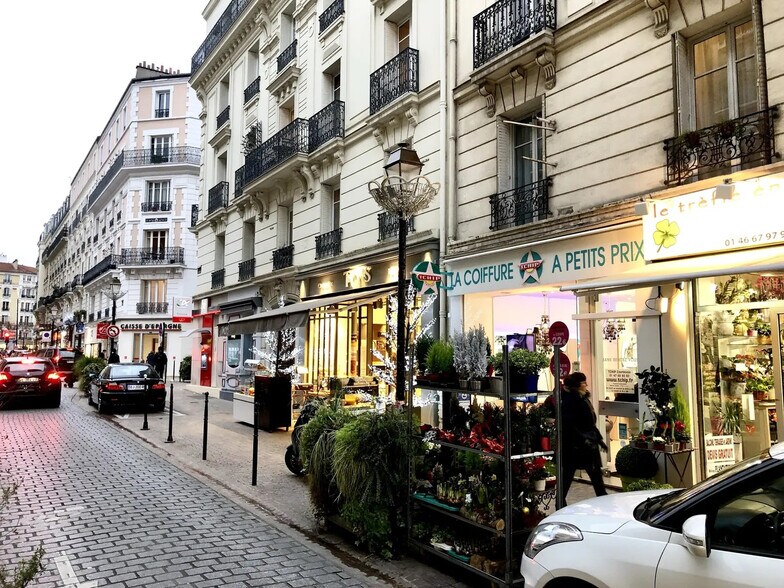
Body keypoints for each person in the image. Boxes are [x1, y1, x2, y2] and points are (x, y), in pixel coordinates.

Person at [560, 372, 607, 504]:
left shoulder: (583, 398)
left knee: (595, 475)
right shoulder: (570, 400)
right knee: (569, 475)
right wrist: (584, 439)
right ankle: (560, 501)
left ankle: (603, 498)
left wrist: (599, 440)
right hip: (576, 445)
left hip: (587, 442)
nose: (586, 385)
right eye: (583, 383)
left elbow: (590, 423)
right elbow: (569, 424)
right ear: (577, 385)